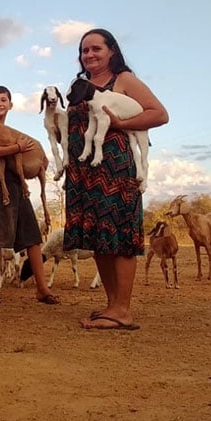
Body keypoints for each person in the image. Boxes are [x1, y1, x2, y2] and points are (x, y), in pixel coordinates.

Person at [64, 28, 168, 330]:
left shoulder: (123, 80)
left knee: (120, 236)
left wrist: (122, 123)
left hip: (116, 170)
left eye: (96, 48)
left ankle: (122, 309)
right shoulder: (80, 86)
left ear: (112, 51)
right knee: (99, 237)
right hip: (84, 172)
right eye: (84, 50)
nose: (89, 55)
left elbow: (159, 114)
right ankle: (112, 305)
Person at [0, 85, 60, 307]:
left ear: (11, 105)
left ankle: (42, 288)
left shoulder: (11, 132)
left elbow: (23, 160)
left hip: (18, 187)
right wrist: (16, 148)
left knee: (32, 237)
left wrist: (37, 161)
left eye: (3, 99)